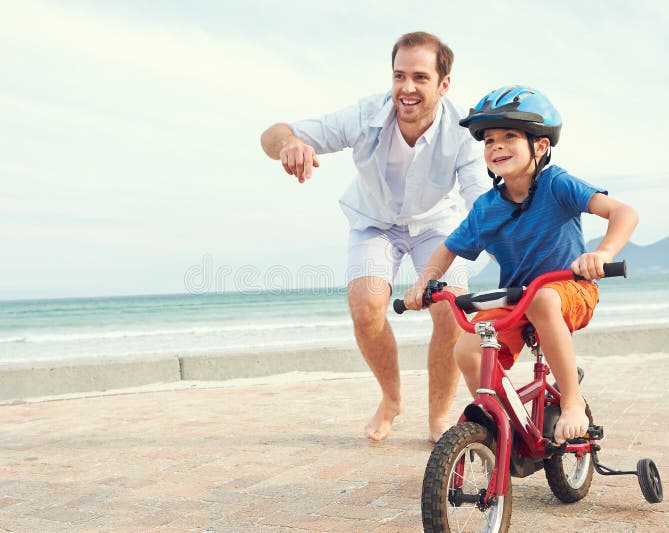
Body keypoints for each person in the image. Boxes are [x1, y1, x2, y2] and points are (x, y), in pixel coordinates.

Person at [260, 32, 488, 442]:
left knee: (450, 312)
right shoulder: (366, 114)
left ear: (444, 83)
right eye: (399, 76)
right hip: (373, 222)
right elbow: (271, 135)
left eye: (420, 77)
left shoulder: (462, 132)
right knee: (366, 306)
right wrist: (290, 143)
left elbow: (480, 202)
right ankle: (391, 399)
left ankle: (438, 415)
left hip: (435, 224)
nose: (407, 88)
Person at [403, 85, 639, 443]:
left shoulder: (556, 183)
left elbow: (624, 213)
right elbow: (447, 249)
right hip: (517, 300)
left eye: (509, 136)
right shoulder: (485, 208)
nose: (496, 146)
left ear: (540, 146)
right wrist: (425, 282)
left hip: (569, 291)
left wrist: (602, 254)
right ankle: (505, 421)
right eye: (489, 140)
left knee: (544, 297)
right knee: (466, 348)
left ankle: (572, 402)